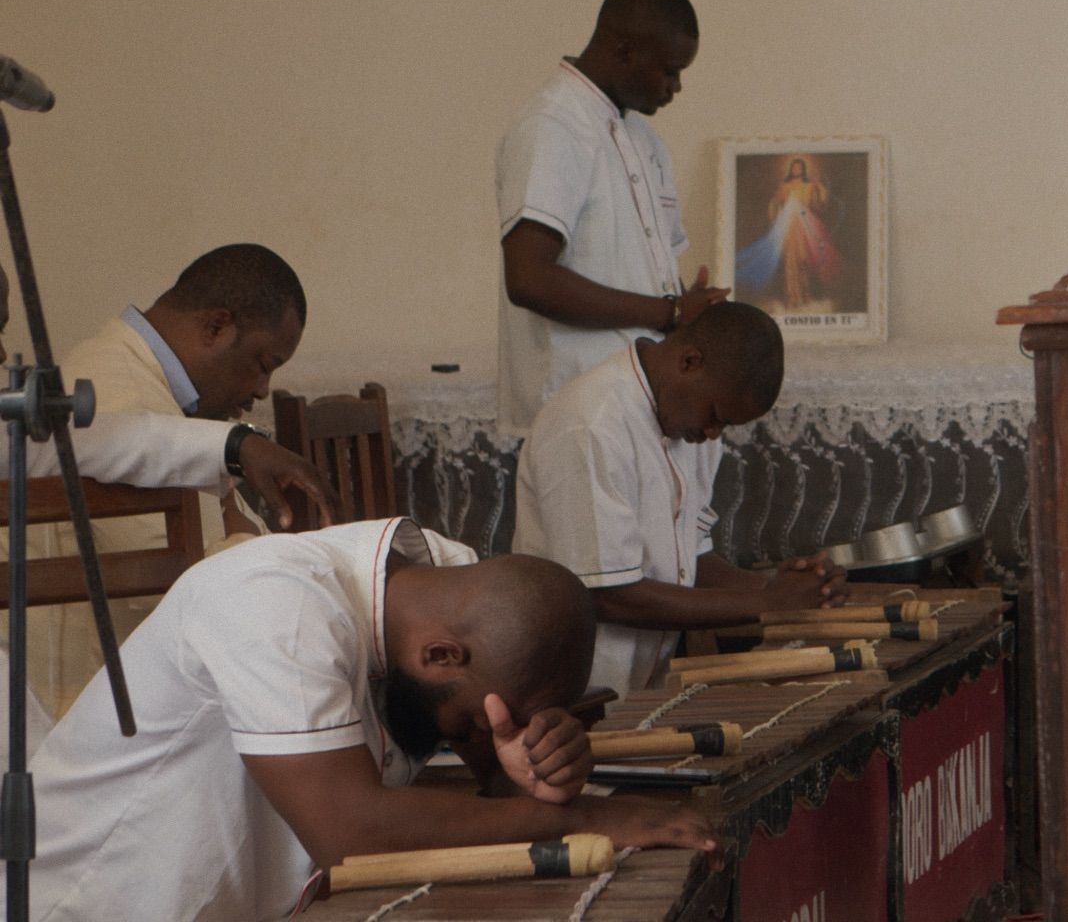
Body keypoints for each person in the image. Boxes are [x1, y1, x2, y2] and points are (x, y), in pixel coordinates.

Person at [20, 516, 716, 922]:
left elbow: (498, 793)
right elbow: (352, 835)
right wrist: (586, 819)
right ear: (441, 654)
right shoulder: (274, 601)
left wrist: (544, 767)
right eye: (476, 723)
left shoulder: (451, 592)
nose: (474, 738)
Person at [0, 264, 334, 755]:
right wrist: (243, 542)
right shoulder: (119, 380)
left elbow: (103, 439)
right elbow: (183, 584)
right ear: (216, 327)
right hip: (95, 709)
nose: (1, 353)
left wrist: (237, 444)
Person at [513, 300, 846, 694]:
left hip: (640, 688)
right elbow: (606, 595)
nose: (713, 433)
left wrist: (786, 587)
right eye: (715, 414)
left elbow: (692, 561)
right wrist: (769, 603)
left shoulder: (690, 428)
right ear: (689, 361)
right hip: (569, 690)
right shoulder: (590, 424)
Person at [498, 0, 729, 438]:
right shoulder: (554, 126)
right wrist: (670, 313)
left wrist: (690, 316)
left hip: (635, 403)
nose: (676, 87)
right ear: (625, 52)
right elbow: (528, 279)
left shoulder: (644, 139)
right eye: (668, 71)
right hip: (575, 413)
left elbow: (659, 278)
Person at [737, 157, 840, 311]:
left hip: (805, 228)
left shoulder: (809, 185)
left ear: (803, 169)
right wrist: (777, 213)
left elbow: (820, 203)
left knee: (805, 261)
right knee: (790, 263)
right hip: (789, 230)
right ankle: (792, 296)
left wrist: (818, 185)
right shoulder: (785, 186)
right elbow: (775, 204)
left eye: (799, 168)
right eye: (795, 167)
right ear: (791, 169)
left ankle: (806, 295)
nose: (797, 170)